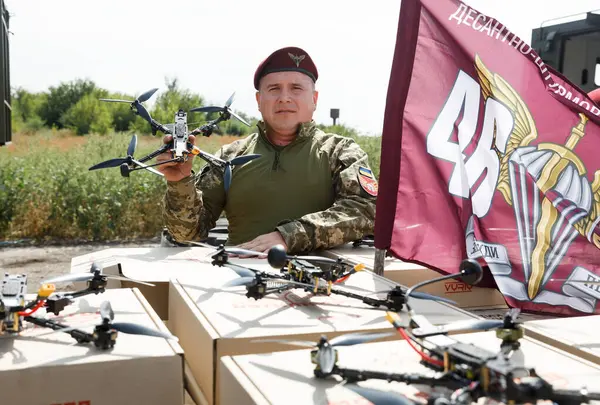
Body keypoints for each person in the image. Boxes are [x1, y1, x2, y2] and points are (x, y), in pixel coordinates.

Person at [156, 46, 378, 254]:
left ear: (314, 99)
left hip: (322, 280)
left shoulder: (340, 152)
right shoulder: (230, 157)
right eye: (274, 89)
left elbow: (365, 211)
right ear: (259, 100)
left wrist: (290, 236)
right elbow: (187, 234)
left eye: (296, 88)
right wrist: (180, 182)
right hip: (239, 279)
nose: (284, 98)